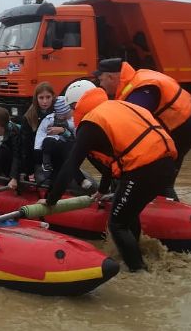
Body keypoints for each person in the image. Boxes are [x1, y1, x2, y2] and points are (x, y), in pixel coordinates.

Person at [46, 82, 178, 272]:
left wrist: (52, 199)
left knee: (117, 224)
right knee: (128, 215)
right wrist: (101, 190)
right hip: (166, 164)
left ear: (77, 105)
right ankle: (137, 255)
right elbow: (111, 161)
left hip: (143, 169)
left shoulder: (91, 122)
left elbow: (70, 165)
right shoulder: (118, 106)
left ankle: (138, 271)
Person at [96, 58, 191, 201]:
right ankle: (160, 205)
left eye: (101, 80)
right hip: (180, 124)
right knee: (160, 178)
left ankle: (169, 210)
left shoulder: (139, 91)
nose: (100, 85)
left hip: (179, 130)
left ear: (111, 77)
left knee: (162, 180)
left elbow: (134, 126)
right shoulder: (135, 79)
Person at [34, 96, 92, 192]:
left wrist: (63, 131)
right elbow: (40, 134)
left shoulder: (73, 122)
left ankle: (79, 180)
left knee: (68, 151)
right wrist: (37, 150)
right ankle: (47, 163)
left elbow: (76, 138)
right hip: (53, 150)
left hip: (66, 150)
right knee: (48, 141)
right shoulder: (49, 120)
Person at [18, 82, 56, 181]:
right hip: (37, 160)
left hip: (56, 157)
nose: (45, 101)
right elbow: (26, 145)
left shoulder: (59, 112)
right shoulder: (29, 117)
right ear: (36, 98)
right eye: (41, 98)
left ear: (53, 97)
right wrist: (28, 170)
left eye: (48, 97)